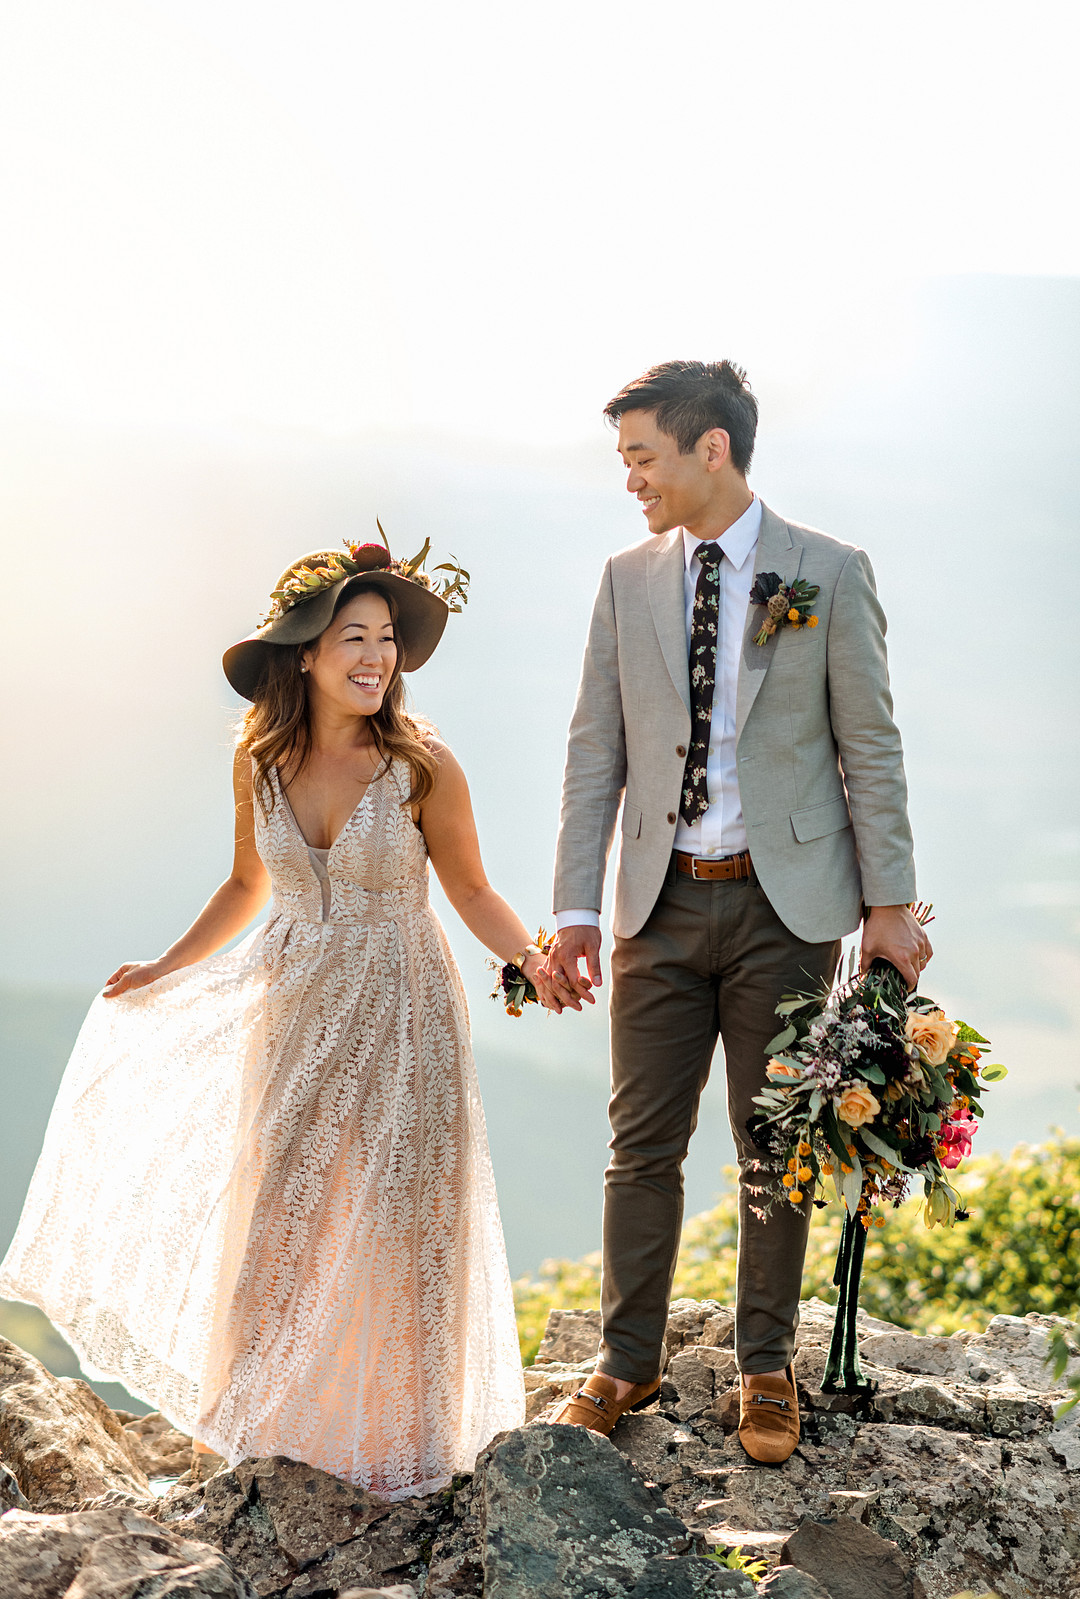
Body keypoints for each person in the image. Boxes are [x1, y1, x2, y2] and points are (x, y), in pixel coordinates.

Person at [0, 539, 551, 1500]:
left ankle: (401, 1441)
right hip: (292, 1000)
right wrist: (169, 967)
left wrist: (530, 957)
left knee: (400, 1210)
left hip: (402, 1003)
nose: (376, 657)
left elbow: (470, 885)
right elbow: (248, 881)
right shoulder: (261, 764)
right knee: (283, 1209)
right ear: (304, 653)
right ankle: (274, 1422)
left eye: (386, 639)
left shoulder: (422, 766)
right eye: (353, 638)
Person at [540, 360, 929, 1463]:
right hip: (656, 905)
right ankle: (626, 1361)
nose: (630, 479)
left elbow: (871, 747)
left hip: (787, 907)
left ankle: (767, 1365)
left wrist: (889, 904)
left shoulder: (829, 573)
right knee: (640, 1146)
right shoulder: (625, 577)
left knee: (779, 1147)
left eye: (641, 455)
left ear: (712, 448)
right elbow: (594, 751)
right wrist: (575, 907)